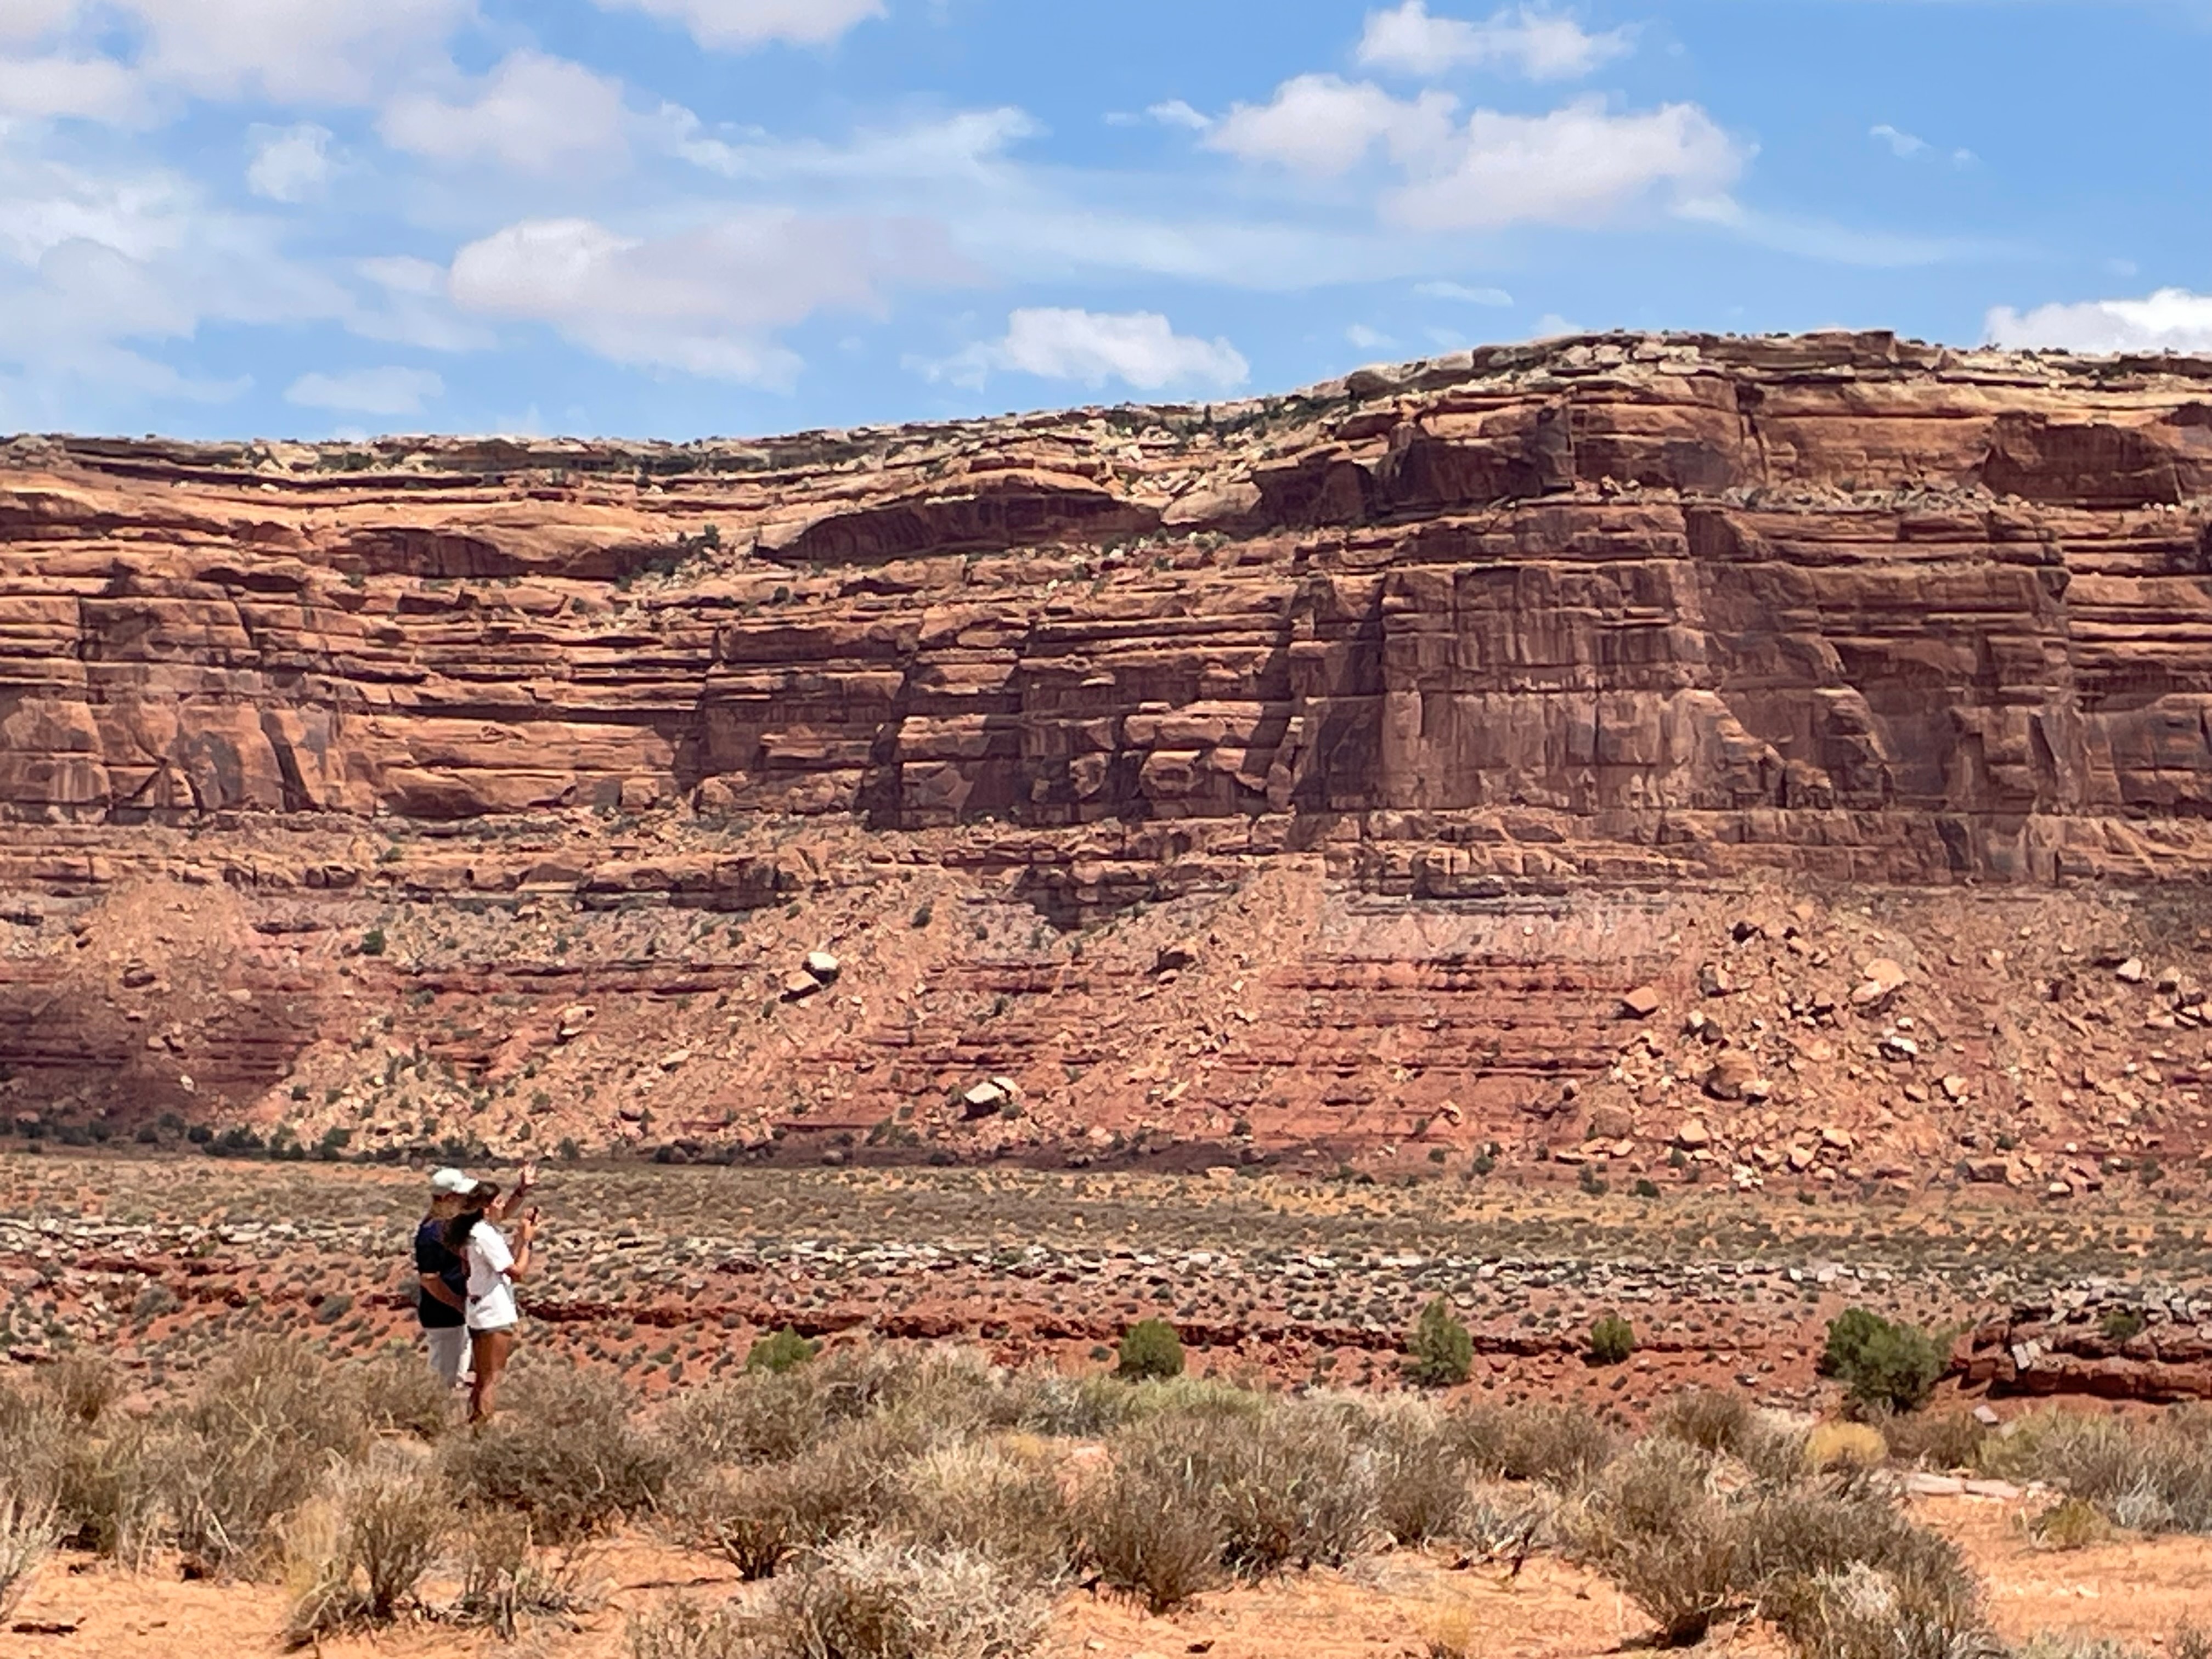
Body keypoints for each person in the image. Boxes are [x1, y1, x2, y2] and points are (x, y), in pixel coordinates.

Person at [415, 1164, 533, 1397]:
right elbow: (430, 1281)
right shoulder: (431, 1234)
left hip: (463, 1314)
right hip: (445, 1317)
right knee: (445, 1379)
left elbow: (498, 1213)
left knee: (467, 1379)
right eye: (463, 1196)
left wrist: (521, 1191)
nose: (469, 1201)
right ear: (448, 1197)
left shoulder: (457, 1224)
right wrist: (459, 1304)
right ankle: (432, 1424)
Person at [446, 1181, 538, 1427]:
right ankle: (482, 1430)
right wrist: (528, 1242)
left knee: (482, 1378)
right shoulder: (485, 1234)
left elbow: (502, 1260)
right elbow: (517, 1272)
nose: (503, 1207)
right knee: (492, 1379)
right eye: (498, 1202)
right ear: (486, 1208)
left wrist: (519, 1238)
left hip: (480, 1310)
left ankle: (474, 1424)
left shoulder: (478, 1232)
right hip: (494, 1313)